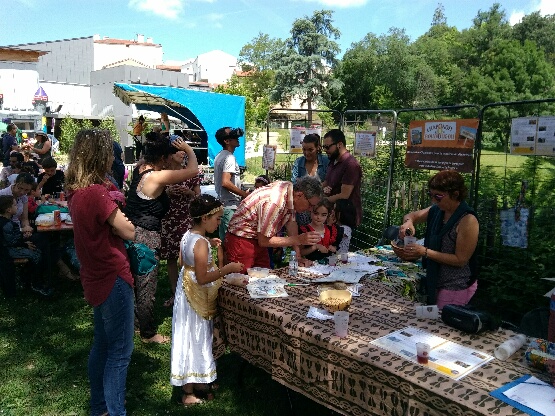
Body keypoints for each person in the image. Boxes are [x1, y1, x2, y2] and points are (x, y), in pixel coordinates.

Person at [66, 129, 136, 416]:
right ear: (100, 156)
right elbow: (129, 230)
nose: (112, 158)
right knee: (119, 351)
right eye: (108, 153)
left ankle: (100, 408)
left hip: (94, 273)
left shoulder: (75, 192)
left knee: (103, 345)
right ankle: (115, 411)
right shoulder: (96, 193)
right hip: (111, 275)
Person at [123, 132, 198, 343]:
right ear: (163, 157)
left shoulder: (141, 168)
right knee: (147, 285)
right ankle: (148, 333)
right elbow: (193, 170)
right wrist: (188, 149)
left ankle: (135, 324)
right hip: (145, 236)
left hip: (131, 231)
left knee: (135, 282)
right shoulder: (156, 176)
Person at [170, 194, 243, 406]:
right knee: (195, 336)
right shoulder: (200, 242)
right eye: (217, 219)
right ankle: (188, 392)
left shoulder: (188, 235)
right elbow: (202, 278)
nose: (219, 223)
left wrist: (207, 244)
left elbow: (183, 260)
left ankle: (198, 381)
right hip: (195, 295)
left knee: (191, 336)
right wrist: (226, 269)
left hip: (186, 291)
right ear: (204, 218)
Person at [399, 170, 479, 310]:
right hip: (435, 281)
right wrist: (408, 223)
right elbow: (411, 216)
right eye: (431, 195)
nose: (434, 200)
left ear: (455, 194)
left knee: (437, 322)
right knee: (422, 316)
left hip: (455, 286)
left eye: (438, 196)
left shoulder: (468, 220)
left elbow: (460, 260)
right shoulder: (437, 210)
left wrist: (425, 252)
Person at [225, 176, 323, 273]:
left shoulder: (290, 191)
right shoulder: (274, 202)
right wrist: (298, 239)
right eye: (310, 205)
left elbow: (291, 223)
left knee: (264, 276)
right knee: (241, 278)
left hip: (257, 238)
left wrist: (297, 257)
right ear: (299, 195)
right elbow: (264, 240)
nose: (310, 209)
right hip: (242, 238)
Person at [160, 136, 201, 308]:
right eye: (178, 151)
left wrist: (189, 193)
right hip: (168, 220)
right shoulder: (161, 174)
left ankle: (190, 293)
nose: (182, 153)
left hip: (185, 219)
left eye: (184, 150)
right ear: (169, 155)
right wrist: (166, 193)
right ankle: (175, 293)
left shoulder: (189, 174)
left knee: (186, 256)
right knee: (171, 258)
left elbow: (199, 198)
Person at [0, 195, 45, 291]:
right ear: (8, 210)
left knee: (38, 240)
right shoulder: (7, 224)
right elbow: (12, 241)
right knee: (36, 255)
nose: (17, 207)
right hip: (7, 251)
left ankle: (27, 277)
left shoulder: (7, 222)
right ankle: (33, 281)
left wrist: (23, 237)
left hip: (9, 247)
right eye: (15, 205)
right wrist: (25, 244)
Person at [213, 127, 248, 243]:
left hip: (224, 206)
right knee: (231, 243)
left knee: (225, 242)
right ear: (226, 141)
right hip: (230, 207)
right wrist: (244, 194)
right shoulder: (229, 157)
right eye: (233, 135)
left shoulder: (219, 156)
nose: (237, 137)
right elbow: (225, 182)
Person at [322, 129, 363, 227]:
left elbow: (345, 195)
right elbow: (326, 182)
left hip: (345, 217)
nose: (325, 150)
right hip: (333, 215)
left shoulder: (350, 164)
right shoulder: (333, 160)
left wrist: (322, 201)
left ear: (339, 144)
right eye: (324, 147)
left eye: (327, 147)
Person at [291, 133, 329, 226]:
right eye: (304, 149)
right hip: (303, 207)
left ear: (318, 148)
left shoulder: (326, 161)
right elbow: (294, 184)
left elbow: (330, 180)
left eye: (310, 150)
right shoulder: (298, 162)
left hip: (320, 206)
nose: (307, 153)